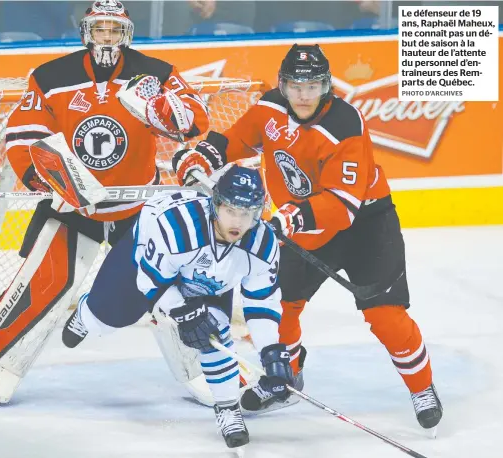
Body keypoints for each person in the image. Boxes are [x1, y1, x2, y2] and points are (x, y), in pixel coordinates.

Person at [171, 43, 443, 430]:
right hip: (299, 225)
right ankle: (286, 376)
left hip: (365, 224)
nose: (303, 94)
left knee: (385, 315)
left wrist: (290, 217)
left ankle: (422, 387)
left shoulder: (346, 125)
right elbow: (236, 139)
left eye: (312, 85)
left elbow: (342, 205)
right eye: (295, 85)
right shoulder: (269, 109)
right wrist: (205, 155)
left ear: (326, 86)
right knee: (279, 307)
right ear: (283, 84)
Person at [0, 0, 209, 405]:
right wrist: (46, 179)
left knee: (169, 288)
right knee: (43, 285)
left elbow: (196, 119)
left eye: (114, 29)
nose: (107, 37)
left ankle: (204, 372)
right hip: (77, 205)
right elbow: (24, 134)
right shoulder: (51, 76)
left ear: (125, 33)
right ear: (87, 32)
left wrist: (158, 108)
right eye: (100, 29)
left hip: (138, 207)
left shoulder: (157, 73)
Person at [61, 165, 293, 449]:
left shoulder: (264, 245)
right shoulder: (177, 227)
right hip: (147, 262)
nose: (238, 222)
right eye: (231, 210)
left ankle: (228, 409)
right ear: (216, 204)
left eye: (247, 213)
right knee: (107, 318)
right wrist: (184, 312)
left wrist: (272, 354)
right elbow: (150, 282)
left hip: (205, 281)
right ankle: (88, 315)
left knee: (214, 332)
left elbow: (262, 304)